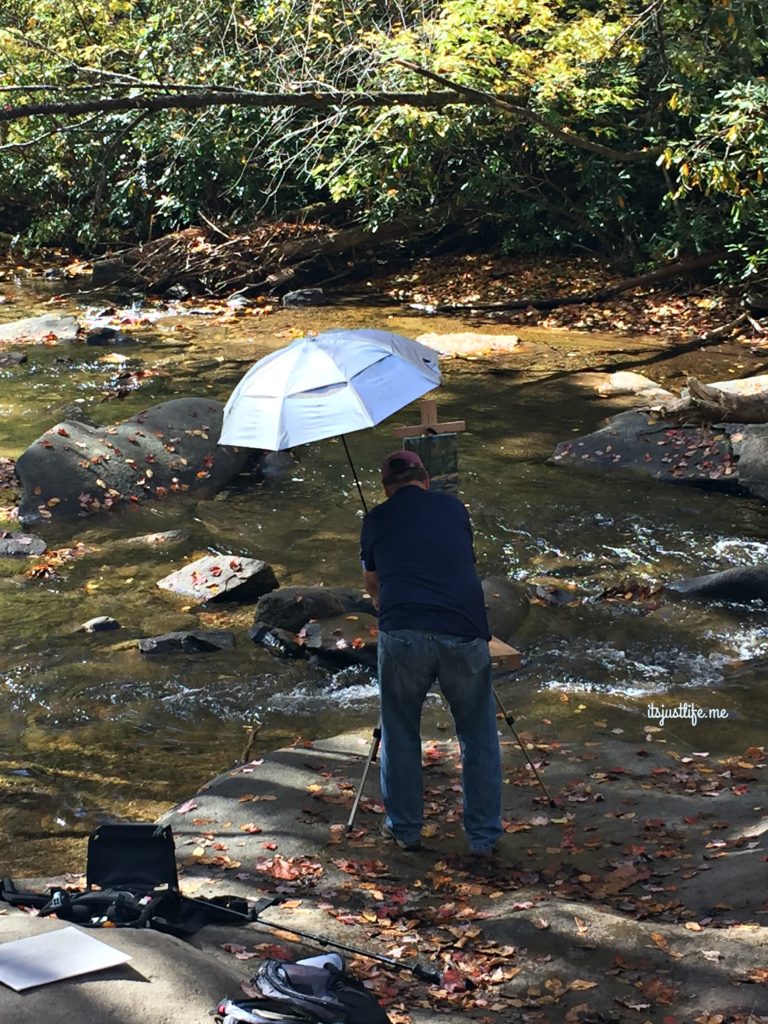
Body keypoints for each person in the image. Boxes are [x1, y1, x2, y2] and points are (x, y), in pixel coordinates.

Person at [359, 449, 502, 856]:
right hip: (464, 630)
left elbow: (374, 583)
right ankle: (483, 837)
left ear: (387, 488)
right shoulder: (454, 509)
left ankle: (405, 829)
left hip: (403, 633)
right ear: (425, 480)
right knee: (477, 735)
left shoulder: (375, 519)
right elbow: (458, 560)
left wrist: (382, 598)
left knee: (400, 732)